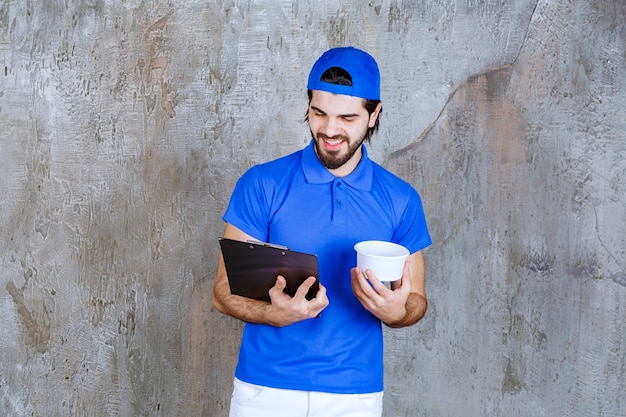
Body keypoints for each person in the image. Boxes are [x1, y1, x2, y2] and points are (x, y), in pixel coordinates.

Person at [213, 46, 432, 417]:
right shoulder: (262, 184)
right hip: (265, 389)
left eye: (347, 118)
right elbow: (222, 293)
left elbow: (416, 301)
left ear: (374, 114)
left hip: (355, 395)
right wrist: (274, 315)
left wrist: (396, 311)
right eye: (319, 114)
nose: (330, 130)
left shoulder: (401, 199)